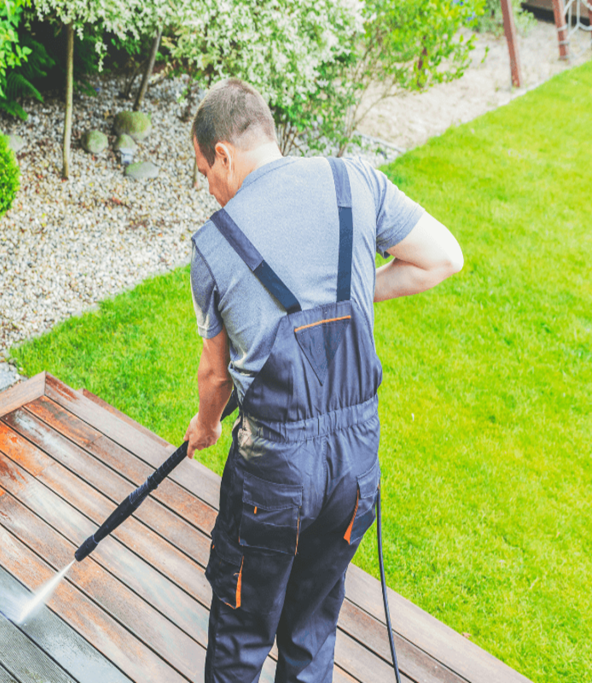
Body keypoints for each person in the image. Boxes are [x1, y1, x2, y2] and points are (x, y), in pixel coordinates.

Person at [183, 78, 463, 683]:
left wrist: (205, 425)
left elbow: (214, 373)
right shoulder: (353, 181)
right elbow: (443, 257)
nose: (208, 186)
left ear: (224, 155)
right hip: (355, 467)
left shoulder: (213, 245)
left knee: (240, 637)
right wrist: (357, 297)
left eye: (204, 170)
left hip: (273, 475)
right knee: (311, 631)